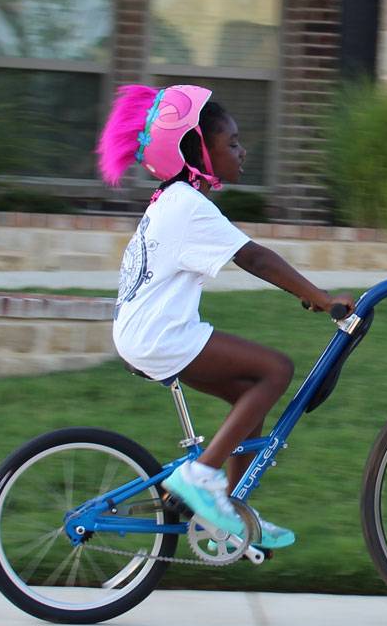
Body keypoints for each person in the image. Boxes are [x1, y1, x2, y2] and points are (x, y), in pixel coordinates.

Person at [97, 84, 353, 550]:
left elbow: (250, 258)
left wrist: (310, 294)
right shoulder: (189, 206)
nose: (242, 150)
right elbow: (254, 258)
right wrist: (321, 297)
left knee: (247, 393)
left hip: (146, 333)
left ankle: (229, 515)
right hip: (161, 336)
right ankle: (200, 477)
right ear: (196, 148)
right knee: (276, 369)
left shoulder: (170, 201)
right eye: (231, 142)